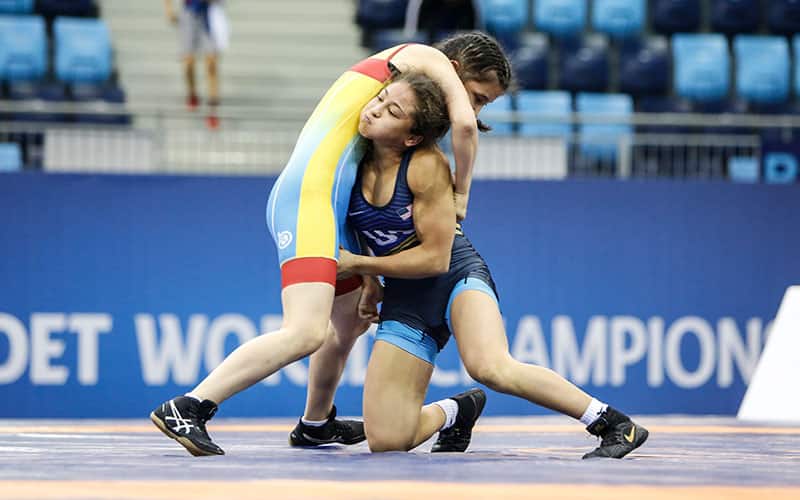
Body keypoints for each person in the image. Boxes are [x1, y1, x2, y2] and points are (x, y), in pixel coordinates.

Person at [149, 32, 511, 456]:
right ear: (456, 67)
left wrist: (372, 274)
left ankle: (315, 423)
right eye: (476, 95)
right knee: (306, 331)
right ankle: (190, 406)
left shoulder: (400, 87)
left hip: (330, 206)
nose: (474, 108)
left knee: (349, 321)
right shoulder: (424, 57)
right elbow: (465, 125)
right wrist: (462, 193)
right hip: (310, 201)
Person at [336, 86, 650, 461]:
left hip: (453, 276)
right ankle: (457, 411)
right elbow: (358, 232)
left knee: (491, 367)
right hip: (404, 297)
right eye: (379, 99)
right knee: (387, 440)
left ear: (412, 137)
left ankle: (612, 423)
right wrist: (370, 284)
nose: (374, 110)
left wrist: (359, 266)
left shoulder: (424, 165)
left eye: (392, 111)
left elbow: (435, 259)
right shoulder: (348, 164)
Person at [163, 0, 227, 128]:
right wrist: (168, 9)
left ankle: (212, 110)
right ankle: (192, 93)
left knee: (211, 64)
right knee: (188, 62)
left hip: (209, 12)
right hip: (189, 11)